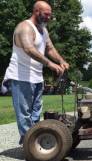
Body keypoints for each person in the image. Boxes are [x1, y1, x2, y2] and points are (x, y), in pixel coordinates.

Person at [1, 1, 70, 145]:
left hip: (37, 77)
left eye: (50, 15)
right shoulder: (24, 27)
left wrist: (61, 61)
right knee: (24, 114)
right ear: (37, 11)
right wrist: (50, 64)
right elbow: (29, 49)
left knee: (35, 113)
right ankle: (30, 145)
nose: (49, 18)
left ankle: (32, 142)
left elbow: (50, 48)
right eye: (46, 14)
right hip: (21, 77)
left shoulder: (43, 30)